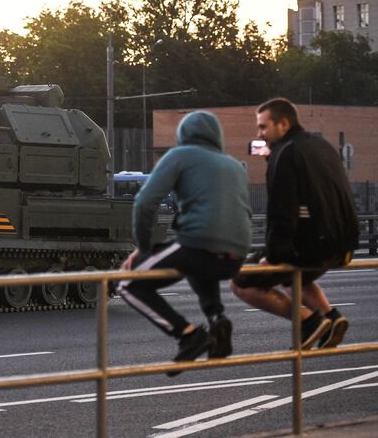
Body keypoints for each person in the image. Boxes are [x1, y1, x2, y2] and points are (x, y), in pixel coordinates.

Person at [115, 111, 252, 375]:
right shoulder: (234, 164)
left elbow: (145, 202)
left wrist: (143, 249)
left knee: (127, 284)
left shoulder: (180, 156)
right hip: (236, 256)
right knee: (198, 262)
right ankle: (217, 320)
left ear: (183, 135)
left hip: (200, 245)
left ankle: (187, 334)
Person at [230, 98, 359, 350]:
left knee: (242, 282)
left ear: (284, 123)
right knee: (292, 277)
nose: (260, 134)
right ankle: (332, 318)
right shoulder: (321, 145)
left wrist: (274, 256)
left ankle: (309, 322)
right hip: (343, 244)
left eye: (264, 127)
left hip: (312, 247)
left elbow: (282, 211)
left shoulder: (285, 154)